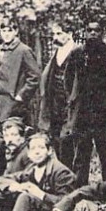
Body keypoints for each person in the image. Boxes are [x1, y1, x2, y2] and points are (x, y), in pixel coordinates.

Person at [69, 20, 106, 185]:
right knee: (81, 156)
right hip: (83, 115)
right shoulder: (77, 55)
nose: (93, 34)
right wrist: (76, 101)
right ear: (85, 33)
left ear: (102, 33)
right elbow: (68, 81)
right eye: (89, 30)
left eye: (97, 31)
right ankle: (80, 192)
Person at [38, 20, 79, 168]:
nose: (55, 37)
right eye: (54, 34)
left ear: (70, 34)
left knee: (68, 141)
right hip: (55, 105)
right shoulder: (57, 53)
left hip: (71, 106)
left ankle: (70, 177)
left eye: (59, 33)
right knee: (55, 140)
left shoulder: (77, 52)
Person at [0, 21, 39, 125]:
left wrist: (21, 96)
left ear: (15, 31)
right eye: (3, 31)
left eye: (9, 30)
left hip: (14, 104)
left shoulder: (24, 50)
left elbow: (35, 77)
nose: (6, 34)